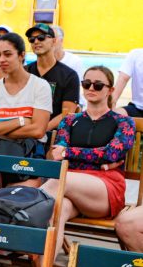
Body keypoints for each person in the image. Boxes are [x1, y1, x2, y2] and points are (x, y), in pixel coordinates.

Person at [41, 65, 134, 258]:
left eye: (98, 85)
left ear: (111, 90)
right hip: (73, 187)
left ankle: (20, 222)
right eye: (86, 83)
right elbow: (57, 154)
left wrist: (69, 152)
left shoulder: (123, 122)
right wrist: (89, 156)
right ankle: (43, 263)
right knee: (57, 210)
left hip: (105, 189)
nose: (91, 88)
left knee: (56, 184)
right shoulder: (69, 120)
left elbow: (111, 154)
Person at [0, 32, 51, 187]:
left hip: (29, 157)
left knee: (15, 201)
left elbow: (38, 131)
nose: (1, 60)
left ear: (21, 55)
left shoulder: (40, 86)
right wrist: (20, 121)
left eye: (7, 55)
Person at [24, 23, 79, 131]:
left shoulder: (69, 75)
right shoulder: (25, 71)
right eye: (32, 39)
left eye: (41, 38)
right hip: (23, 130)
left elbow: (67, 112)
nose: (36, 42)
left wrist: (40, 130)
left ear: (54, 41)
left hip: (52, 134)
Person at [52, 25, 86, 108]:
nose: (50, 41)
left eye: (54, 38)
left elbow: (77, 89)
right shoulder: (40, 63)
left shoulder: (74, 61)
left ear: (61, 40)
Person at [112, 48, 143, 117]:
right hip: (137, 108)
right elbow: (123, 78)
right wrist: (112, 104)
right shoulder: (136, 54)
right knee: (112, 116)